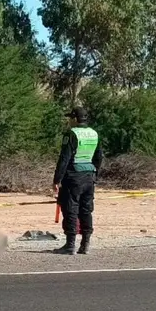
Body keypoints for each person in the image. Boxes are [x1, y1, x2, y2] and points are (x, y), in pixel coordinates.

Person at [51, 106, 103, 255]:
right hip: (89, 175)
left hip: (73, 176)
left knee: (70, 209)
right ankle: (85, 244)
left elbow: (64, 158)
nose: (69, 121)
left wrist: (57, 179)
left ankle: (70, 245)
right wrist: (94, 173)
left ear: (74, 119)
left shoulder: (71, 134)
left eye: (70, 118)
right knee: (86, 210)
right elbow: (99, 157)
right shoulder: (94, 133)